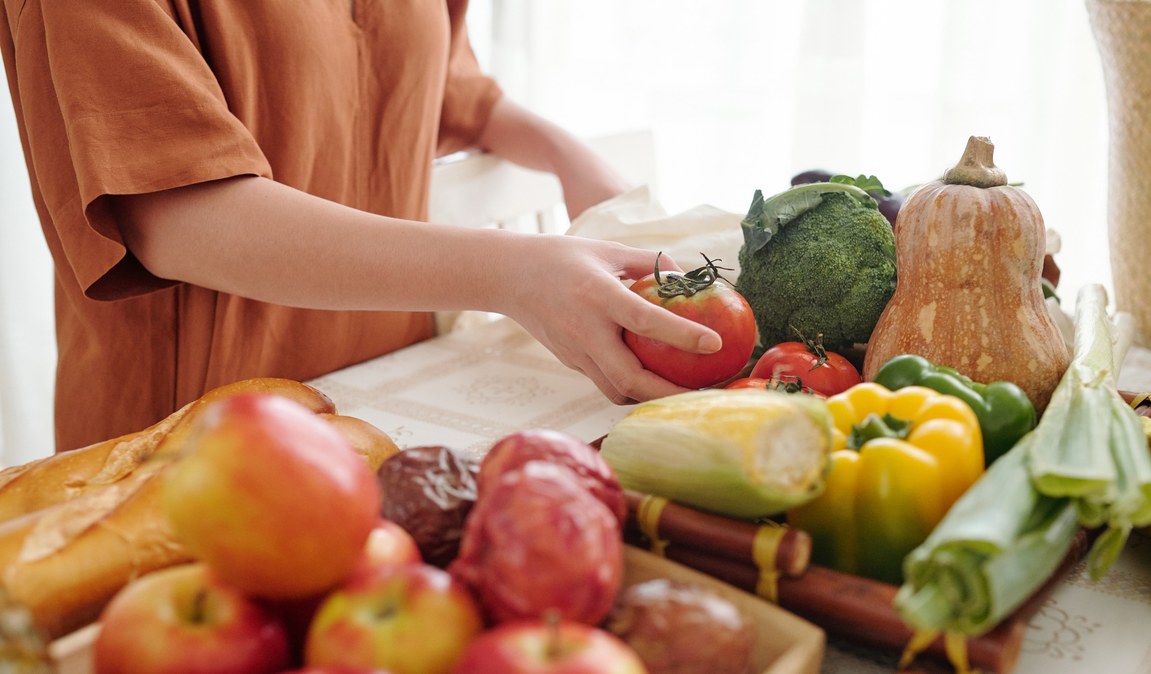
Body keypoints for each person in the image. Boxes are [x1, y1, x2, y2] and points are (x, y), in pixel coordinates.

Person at [0, 1, 721, 452]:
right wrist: (512, 273)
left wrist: (569, 158)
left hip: (382, 402)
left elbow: (439, 82)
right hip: (193, 434)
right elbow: (175, 216)